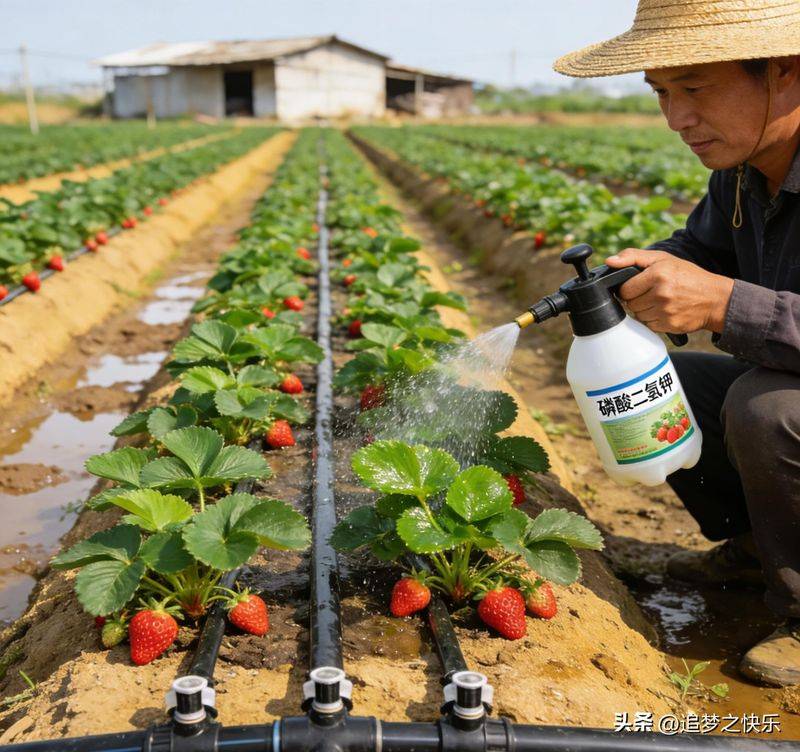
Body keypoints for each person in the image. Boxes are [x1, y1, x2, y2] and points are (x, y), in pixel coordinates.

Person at [554, 0, 800, 687]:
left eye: (694, 88)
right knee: (673, 384)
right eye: (661, 92)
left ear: (785, 71)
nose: (676, 118)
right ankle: (759, 550)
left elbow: (725, 292)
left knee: (769, 407)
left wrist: (726, 303)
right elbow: (701, 249)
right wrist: (632, 275)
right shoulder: (747, 170)